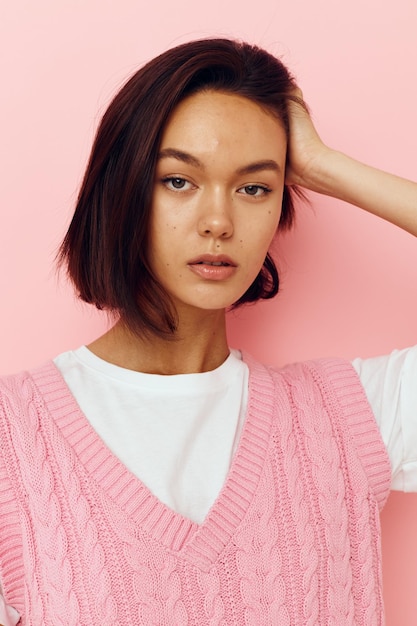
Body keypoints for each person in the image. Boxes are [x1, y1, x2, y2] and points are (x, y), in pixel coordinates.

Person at [0, 37, 416, 626]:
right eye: (178, 181)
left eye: (254, 188)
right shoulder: (14, 441)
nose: (219, 222)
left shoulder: (350, 421)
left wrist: (325, 166)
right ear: (121, 191)